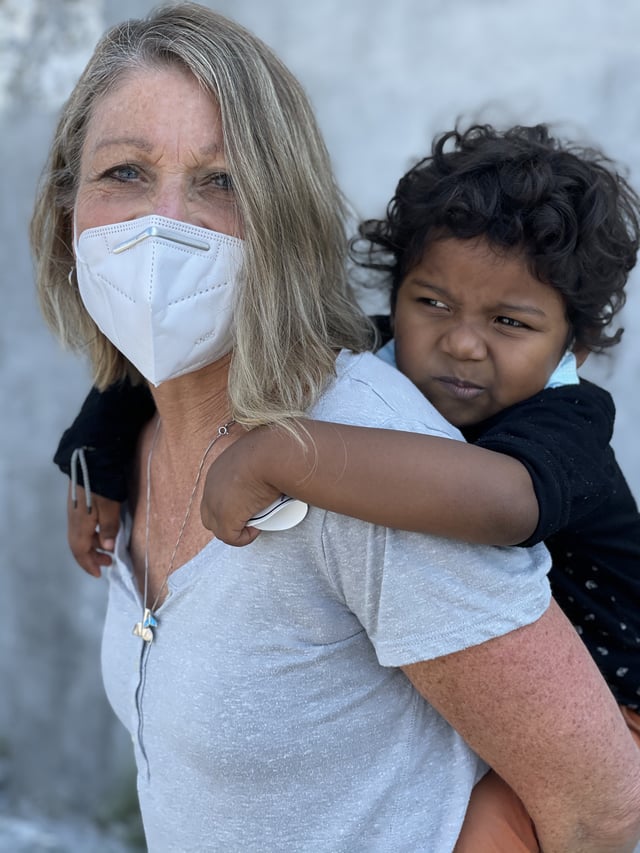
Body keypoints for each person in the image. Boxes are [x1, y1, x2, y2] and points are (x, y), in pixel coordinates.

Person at [34, 6, 640, 852]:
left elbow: (599, 809)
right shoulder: (153, 421)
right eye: (125, 172)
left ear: (287, 214)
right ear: (68, 205)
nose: (161, 228)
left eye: (223, 180)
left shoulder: (397, 455)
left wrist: (284, 454)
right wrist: (92, 453)